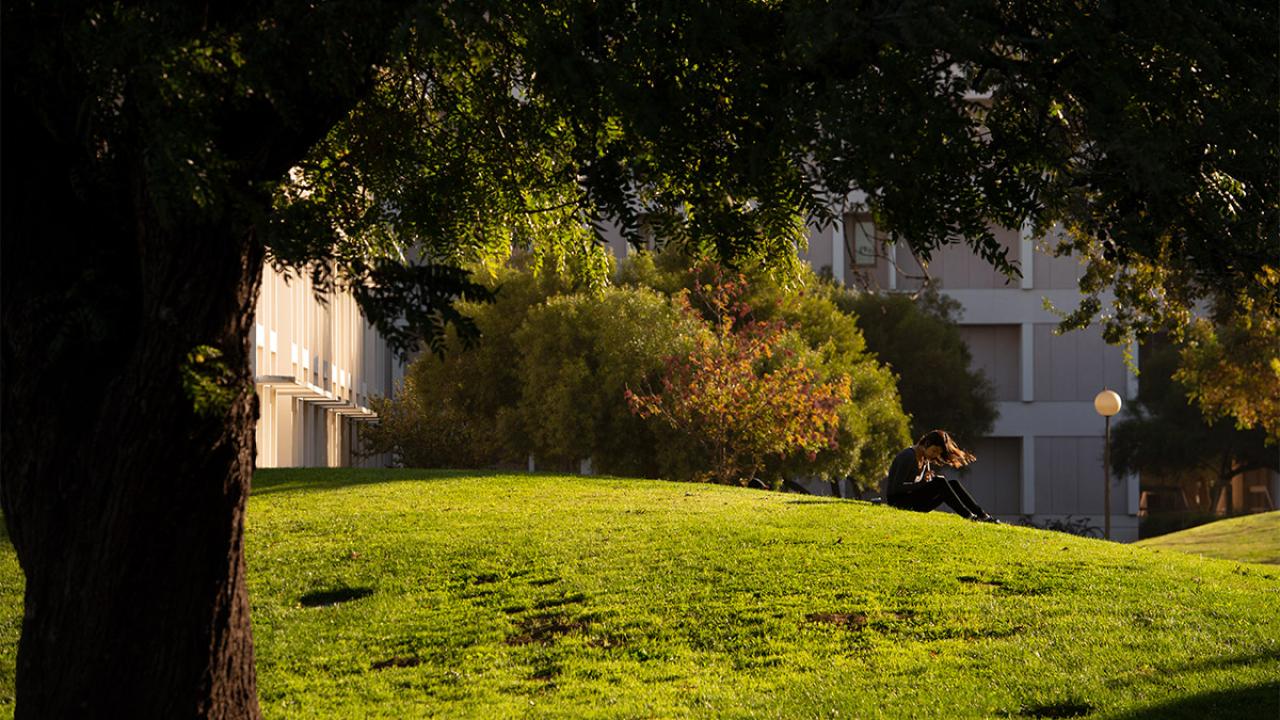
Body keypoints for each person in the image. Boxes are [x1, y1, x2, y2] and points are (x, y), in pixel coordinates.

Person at [884, 429, 1000, 523]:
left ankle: (982, 515)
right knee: (940, 481)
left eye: (938, 453)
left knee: (953, 484)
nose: (935, 455)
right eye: (934, 451)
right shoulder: (908, 456)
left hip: (914, 501)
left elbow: (916, 484)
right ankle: (969, 516)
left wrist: (925, 481)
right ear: (926, 444)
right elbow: (896, 488)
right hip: (899, 502)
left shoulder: (925, 459)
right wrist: (922, 484)